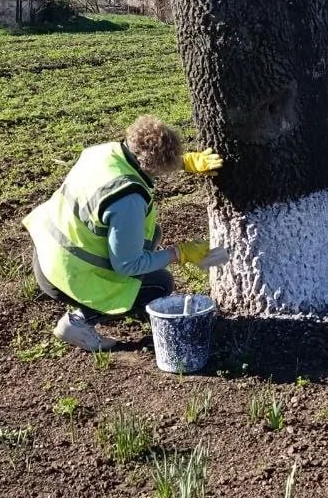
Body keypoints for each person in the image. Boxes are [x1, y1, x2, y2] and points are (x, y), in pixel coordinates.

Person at [23, 116, 222, 351]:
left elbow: (142, 159)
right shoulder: (127, 200)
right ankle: (78, 322)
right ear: (154, 166)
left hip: (49, 249)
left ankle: (122, 302)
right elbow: (126, 265)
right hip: (65, 274)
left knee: (152, 234)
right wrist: (180, 253)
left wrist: (183, 162)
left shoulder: (104, 152)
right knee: (159, 284)